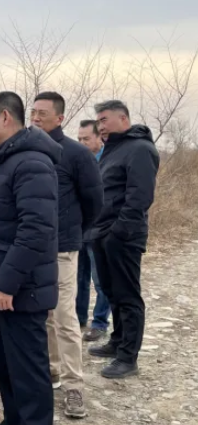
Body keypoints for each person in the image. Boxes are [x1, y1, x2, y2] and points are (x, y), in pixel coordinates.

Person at [0, 91, 61, 425]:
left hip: (22, 290)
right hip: (7, 290)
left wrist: (7, 283)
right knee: (9, 369)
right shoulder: (9, 161)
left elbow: (36, 230)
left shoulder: (31, 163)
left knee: (28, 374)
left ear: (5, 117)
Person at [31, 92, 103, 419]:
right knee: (43, 315)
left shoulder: (76, 154)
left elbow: (94, 203)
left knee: (64, 317)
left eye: (42, 114)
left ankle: (75, 386)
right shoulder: (27, 150)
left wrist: (74, 231)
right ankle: (53, 370)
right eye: (33, 112)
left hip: (62, 249)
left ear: (59, 118)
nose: (36, 118)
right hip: (32, 249)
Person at [88, 100, 160, 379]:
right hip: (102, 233)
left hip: (123, 236)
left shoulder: (140, 149)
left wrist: (117, 233)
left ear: (123, 119)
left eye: (104, 120)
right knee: (111, 291)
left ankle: (128, 358)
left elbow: (140, 197)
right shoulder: (112, 149)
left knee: (127, 294)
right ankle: (117, 341)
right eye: (98, 122)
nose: (101, 126)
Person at [76, 119, 111, 342]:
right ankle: (78, 318)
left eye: (86, 139)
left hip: (99, 230)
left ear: (100, 138)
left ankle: (99, 323)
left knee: (101, 281)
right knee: (79, 278)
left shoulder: (109, 161)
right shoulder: (77, 160)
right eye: (79, 139)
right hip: (78, 229)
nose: (82, 143)